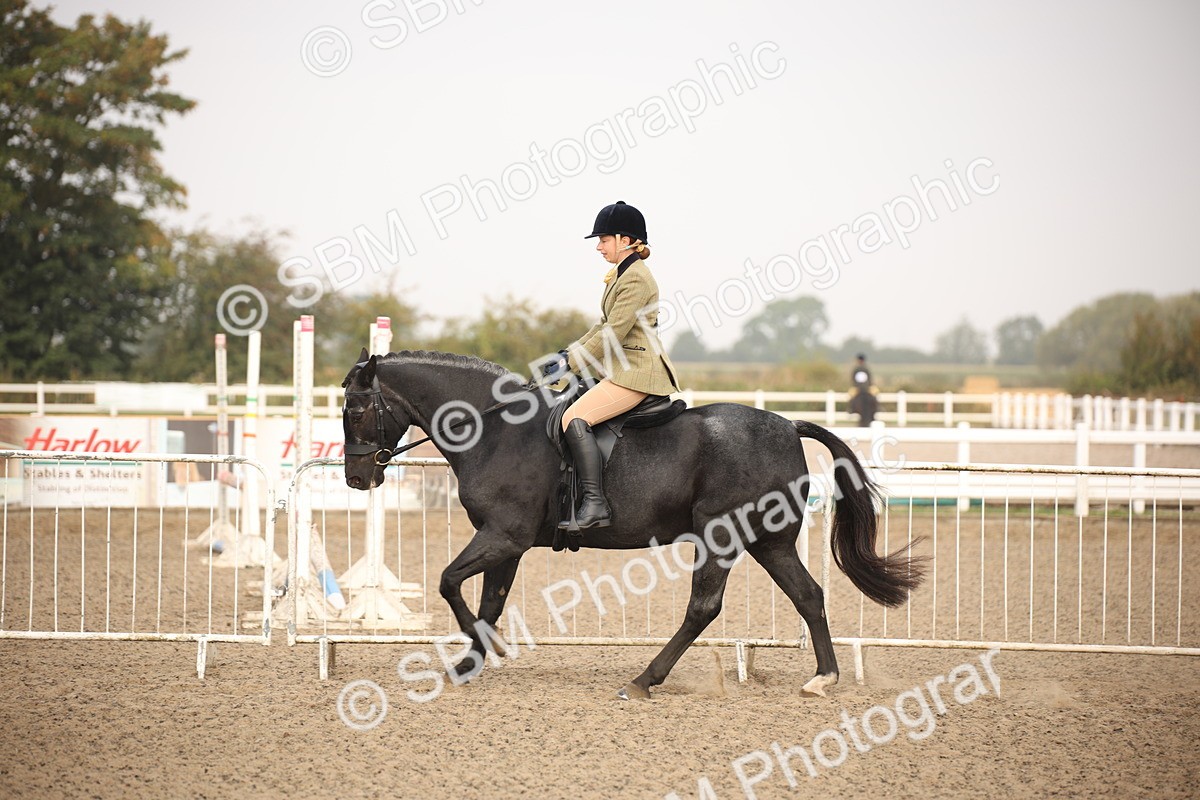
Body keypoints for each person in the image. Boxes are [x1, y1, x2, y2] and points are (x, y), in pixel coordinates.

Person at [542, 201, 681, 529]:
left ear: (626, 240)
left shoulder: (636, 279)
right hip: (622, 368)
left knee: (574, 418)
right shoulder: (621, 274)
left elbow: (614, 333)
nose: (599, 246)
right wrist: (567, 355)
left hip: (637, 372)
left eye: (604, 239)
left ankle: (595, 504)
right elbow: (601, 325)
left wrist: (572, 363)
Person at [848, 353, 878, 425]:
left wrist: (856, 386)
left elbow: (853, 379)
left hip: (858, 388)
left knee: (851, 396)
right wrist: (869, 386)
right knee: (875, 396)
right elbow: (870, 379)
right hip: (867, 387)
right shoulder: (866, 368)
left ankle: (851, 409)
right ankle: (877, 408)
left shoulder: (856, 369)